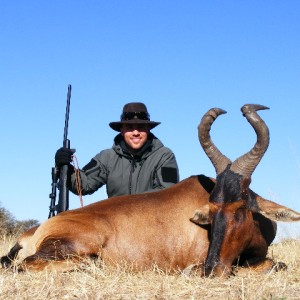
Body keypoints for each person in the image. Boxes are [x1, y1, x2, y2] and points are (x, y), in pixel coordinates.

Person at [55, 102, 179, 198]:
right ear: (122, 130)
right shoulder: (107, 157)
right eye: (130, 127)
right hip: (116, 227)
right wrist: (65, 168)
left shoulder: (164, 156)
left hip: (151, 226)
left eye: (141, 127)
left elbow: (168, 194)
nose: (135, 132)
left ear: (148, 129)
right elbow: (83, 185)